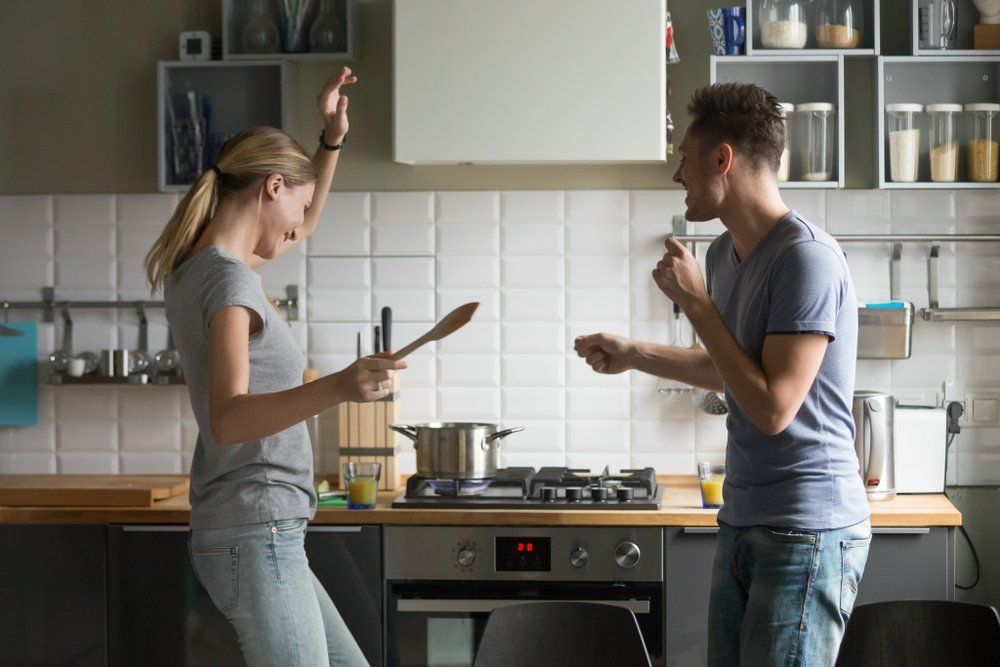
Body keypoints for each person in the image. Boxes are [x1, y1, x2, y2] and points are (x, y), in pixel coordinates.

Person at [575, 82, 870, 666]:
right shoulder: (722, 255)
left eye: (684, 159)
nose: (676, 175)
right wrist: (635, 352)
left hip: (806, 529)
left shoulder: (806, 259)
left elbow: (773, 406)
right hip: (743, 517)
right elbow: (730, 369)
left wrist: (698, 306)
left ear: (722, 160)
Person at [144, 67, 401, 666]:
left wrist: (331, 140)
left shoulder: (197, 267)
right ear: (272, 186)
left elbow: (299, 223)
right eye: (299, 202)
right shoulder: (231, 285)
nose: (301, 224)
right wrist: (339, 385)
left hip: (262, 527)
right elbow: (230, 419)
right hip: (255, 529)